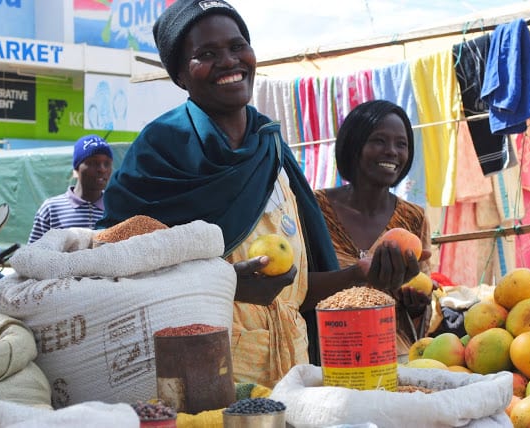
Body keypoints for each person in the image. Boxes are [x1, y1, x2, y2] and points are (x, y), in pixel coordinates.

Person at [97, 0, 426, 388]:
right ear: (181, 75)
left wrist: (360, 275)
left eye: (237, 47)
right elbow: (111, 272)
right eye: (206, 54)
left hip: (290, 379)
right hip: (200, 380)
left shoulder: (271, 150)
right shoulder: (162, 150)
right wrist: (225, 284)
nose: (229, 61)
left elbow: (296, 294)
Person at [314, 100, 434, 362]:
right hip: (326, 356)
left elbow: (421, 302)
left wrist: (416, 306)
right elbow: (295, 291)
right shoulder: (315, 209)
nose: (392, 151)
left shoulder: (413, 217)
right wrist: (355, 275)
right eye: (379, 141)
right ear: (354, 145)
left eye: (401, 144)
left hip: (391, 358)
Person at [28, 134, 113, 244]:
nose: (102, 169)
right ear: (77, 168)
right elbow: (33, 256)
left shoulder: (116, 208)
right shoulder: (51, 210)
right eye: (93, 162)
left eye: (107, 163)